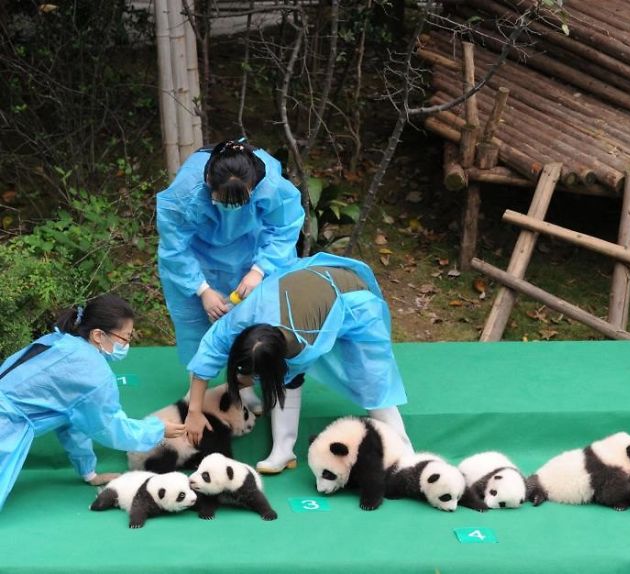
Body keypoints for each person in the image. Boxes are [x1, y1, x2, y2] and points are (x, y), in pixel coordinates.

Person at [183, 253, 413, 474]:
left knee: (372, 381)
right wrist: (194, 411)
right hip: (304, 288)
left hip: (353, 297)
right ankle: (283, 452)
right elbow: (206, 357)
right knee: (283, 378)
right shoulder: (238, 320)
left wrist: (242, 381)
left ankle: (405, 455)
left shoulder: (300, 343)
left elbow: (286, 378)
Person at [0, 295, 186, 511]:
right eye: (125, 338)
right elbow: (112, 427)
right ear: (98, 335)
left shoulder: (60, 341)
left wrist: (89, 472)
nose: (127, 345)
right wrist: (158, 428)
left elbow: (72, 421)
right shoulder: (93, 373)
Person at [156, 139, 305, 370]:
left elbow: (285, 227)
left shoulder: (270, 185)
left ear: (253, 187)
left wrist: (259, 270)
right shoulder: (186, 192)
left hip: (250, 247)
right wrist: (202, 289)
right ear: (208, 183)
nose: (230, 209)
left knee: (254, 318)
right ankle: (198, 384)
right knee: (194, 323)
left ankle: (244, 381)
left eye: (239, 202)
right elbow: (174, 247)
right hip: (196, 254)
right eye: (223, 201)